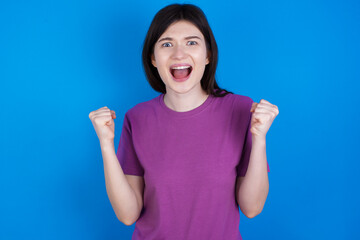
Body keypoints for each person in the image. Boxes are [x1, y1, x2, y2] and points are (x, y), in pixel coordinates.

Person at [89, 3, 279, 240]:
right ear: (153, 58)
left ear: (208, 54)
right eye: (166, 44)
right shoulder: (136, 119)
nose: (179, 54)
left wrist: (259, 139)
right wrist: (106, 145)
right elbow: (128, 214)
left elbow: (252, 208)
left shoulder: (239, 110)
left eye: (191, 42)